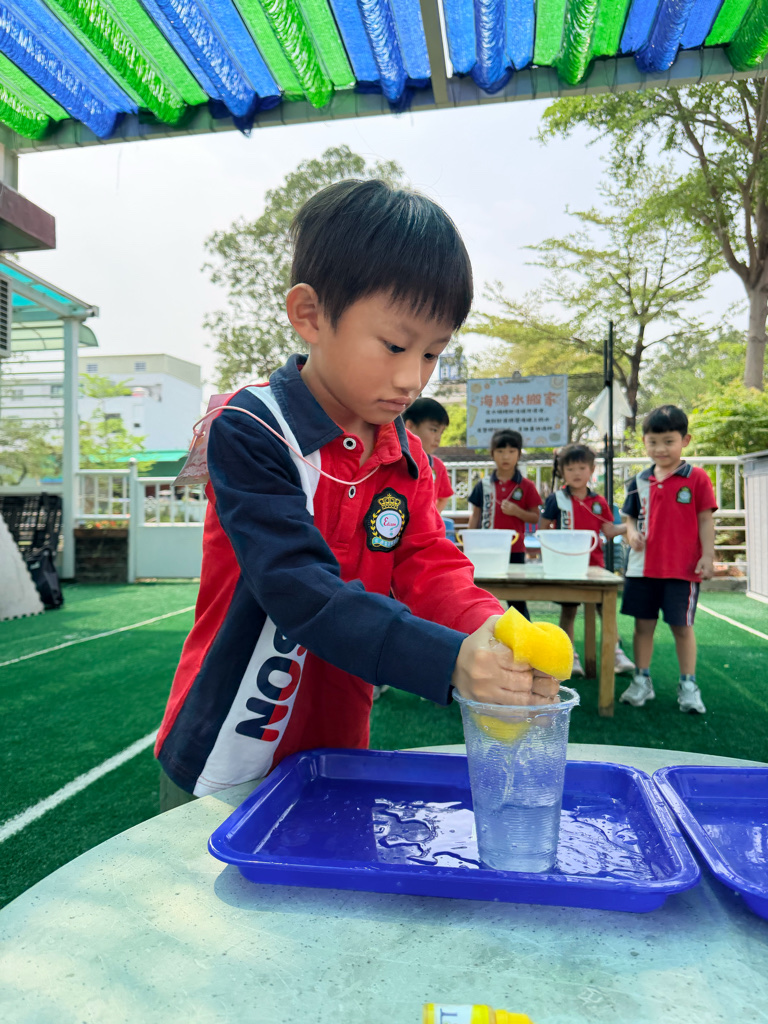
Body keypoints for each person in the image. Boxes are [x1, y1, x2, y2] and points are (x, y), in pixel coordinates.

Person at [155, 180, 558, 807]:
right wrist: (453, 661)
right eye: (395, 345)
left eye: (433, 353)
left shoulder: (407, 456)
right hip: (224, 751)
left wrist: (494, 634)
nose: (412, 378)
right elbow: (297, 587)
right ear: (310, 315)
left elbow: (432, 566)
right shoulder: (252, 429)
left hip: (338, 750)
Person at [620, 405, 716, 714]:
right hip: (641, 569)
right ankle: (641, 680)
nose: (660, 449)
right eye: (653, 442)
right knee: (642, 626)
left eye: (669, 441)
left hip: (682, 570)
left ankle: (688, 685)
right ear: (644, 442)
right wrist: (631, 533)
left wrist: (708, 555)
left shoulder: (697, 478)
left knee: (682, 628)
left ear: (685, 440)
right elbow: (629, 518)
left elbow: (706, 520)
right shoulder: (639, 480)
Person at [539, 443, 634, 678]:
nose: (577, 473)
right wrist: (553, 551)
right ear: (562, 471)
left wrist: (631, 526)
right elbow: (543, 529)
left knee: (605, 609)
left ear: (591, 470)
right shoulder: (556, 499)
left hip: (594, 566)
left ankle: (616, 653)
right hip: (566, 567)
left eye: (582, 468)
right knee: (569, 611)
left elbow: (609, 531)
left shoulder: (599, 502)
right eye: (570, 469)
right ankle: (569, 656)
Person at [467, 429, 541, 620]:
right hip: (485, 550)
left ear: (519, 454)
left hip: (514, 549)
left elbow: (535, 517)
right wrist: (469, 544)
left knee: (517, 600)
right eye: (500, 451)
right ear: (492, 454)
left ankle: (523, 634)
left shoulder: (526, 486)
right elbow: (475, 516)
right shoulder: (483, 485)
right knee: (482, 596)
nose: (505, 456)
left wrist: (517, 512)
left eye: (511, 451)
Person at [404, 396, 454, 512]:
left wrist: (432, 518)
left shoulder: (438, 466)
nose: (438, 438)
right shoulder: (393, 460)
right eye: (434, 430)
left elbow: (444, 497)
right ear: (410, 426)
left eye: (441, 432)